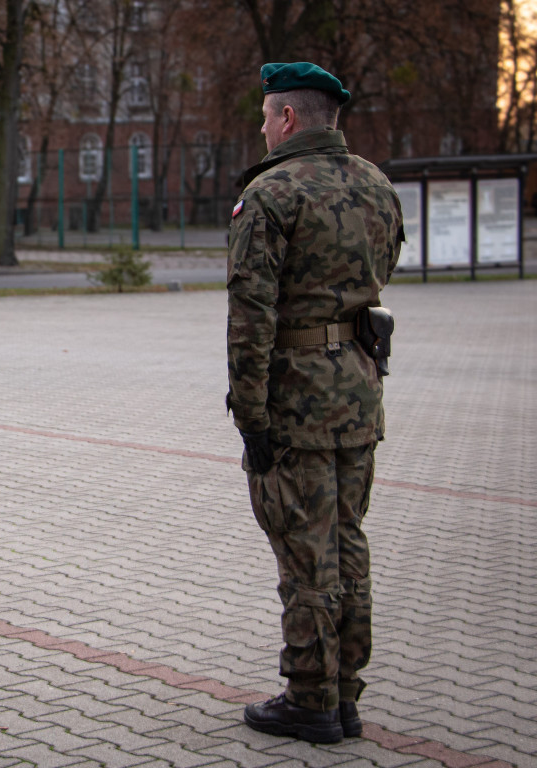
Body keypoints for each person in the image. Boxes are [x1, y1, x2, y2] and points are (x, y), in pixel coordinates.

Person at [225, 62, 402, 743]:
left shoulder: (271, 194)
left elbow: (251, 317)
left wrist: (251, 417)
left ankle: (310, 699)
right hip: (358, 392)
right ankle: (345, 693)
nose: (263, 126)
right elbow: (379, 277)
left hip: (294, 398)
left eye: (267, 115)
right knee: (347, 542)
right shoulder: (377, 186)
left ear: (290, 118)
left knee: (306, 555)